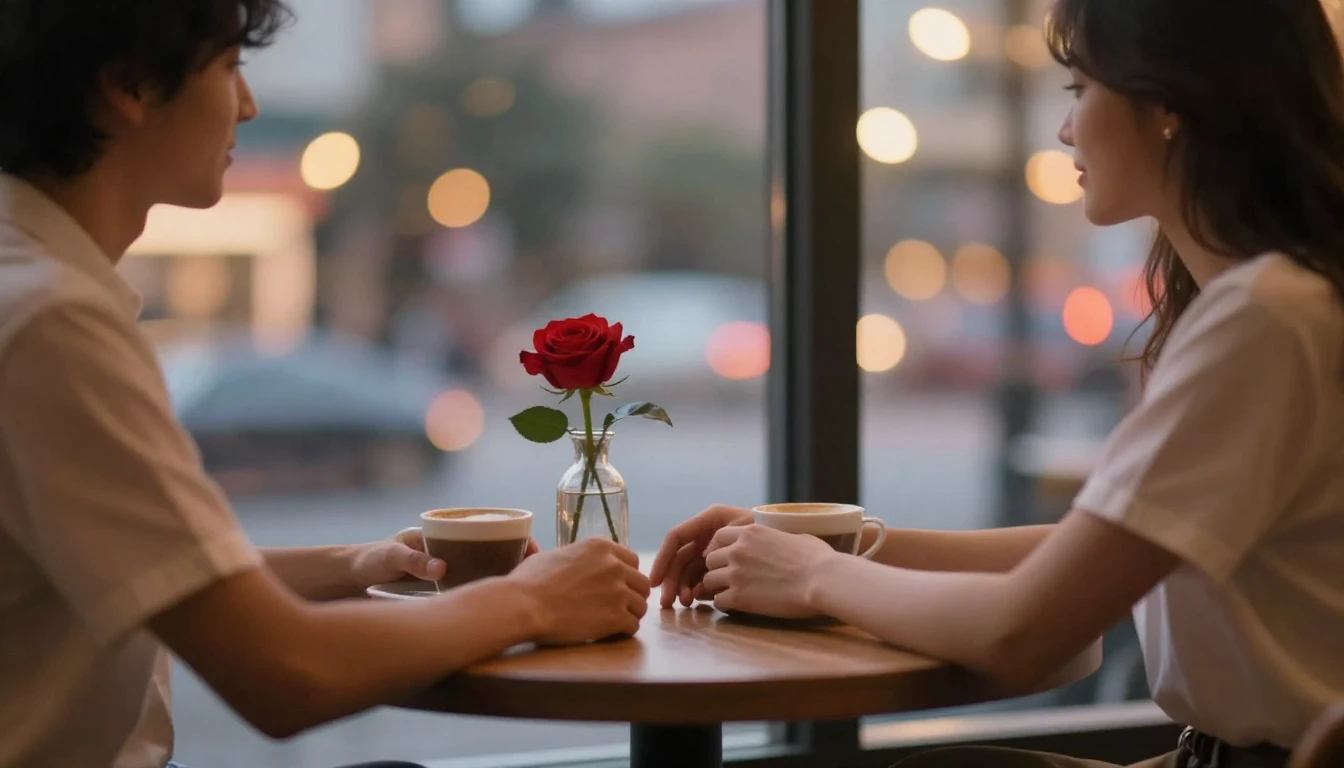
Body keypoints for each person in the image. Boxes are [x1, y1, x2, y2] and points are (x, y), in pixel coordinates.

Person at [651, 0, 1344, 766]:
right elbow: (1096, 554)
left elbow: (1019, 634)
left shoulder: (1268, 318)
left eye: (1080, 89)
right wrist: (823, 546)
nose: (1065, 128)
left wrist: (817, 575)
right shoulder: (1281, 300)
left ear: (1169, 104)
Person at [0, 2, 650, 767]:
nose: (248, 103)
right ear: (131, 85)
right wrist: (534, 599)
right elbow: (286, 673)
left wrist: (360, 564)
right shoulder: (51, 320)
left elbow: (166, 581)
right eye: (231, 67)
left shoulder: (31, 284)